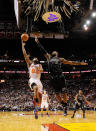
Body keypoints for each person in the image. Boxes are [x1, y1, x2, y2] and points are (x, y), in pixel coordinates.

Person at [35, 37, 88, 116]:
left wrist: (80, 63)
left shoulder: (57, 58)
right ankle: (64, 105)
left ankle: (65, 105)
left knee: (62, 93)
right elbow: (43, 50)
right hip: (56, 78)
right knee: (59, 93)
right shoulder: (50, 58)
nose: (55, 52)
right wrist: (37, 42)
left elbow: (71, 62)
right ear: (55, 54)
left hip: (58, 77)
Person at [21, 36, 43, 119]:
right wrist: (22, 46)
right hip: (32, 80)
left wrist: (39, 68)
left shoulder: (39, 65)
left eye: (36, 58)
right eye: (34, 58)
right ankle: (35, 101)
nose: (35, 58)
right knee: (36, 88)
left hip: (39, 81)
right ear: (32, 59)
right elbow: (24, 55)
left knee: (40, 100)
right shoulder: (30, 64)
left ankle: (36, 110)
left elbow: (41, 71)